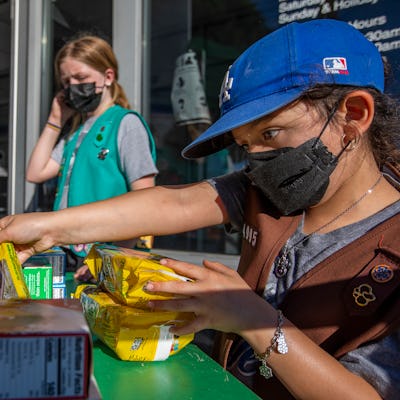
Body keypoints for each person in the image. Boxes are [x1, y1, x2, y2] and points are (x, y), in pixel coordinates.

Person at [2, 19, 400, 399]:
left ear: (354, 115)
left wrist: (252, 318)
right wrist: (46, 227)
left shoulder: (393, 249)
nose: (255, 159)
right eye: (244, 144)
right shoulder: (267, 189)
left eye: (270, 133)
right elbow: (175, 201)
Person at [25, 34, 158, 278]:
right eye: (66, 82)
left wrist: (112, 257)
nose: (72, 86)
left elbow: (146, 200)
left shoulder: (126, 123)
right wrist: (56, 120)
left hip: (102, 256)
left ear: (108, 77)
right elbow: (36, 172)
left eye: (81, 78)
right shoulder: (75, 132)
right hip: (67, 253)